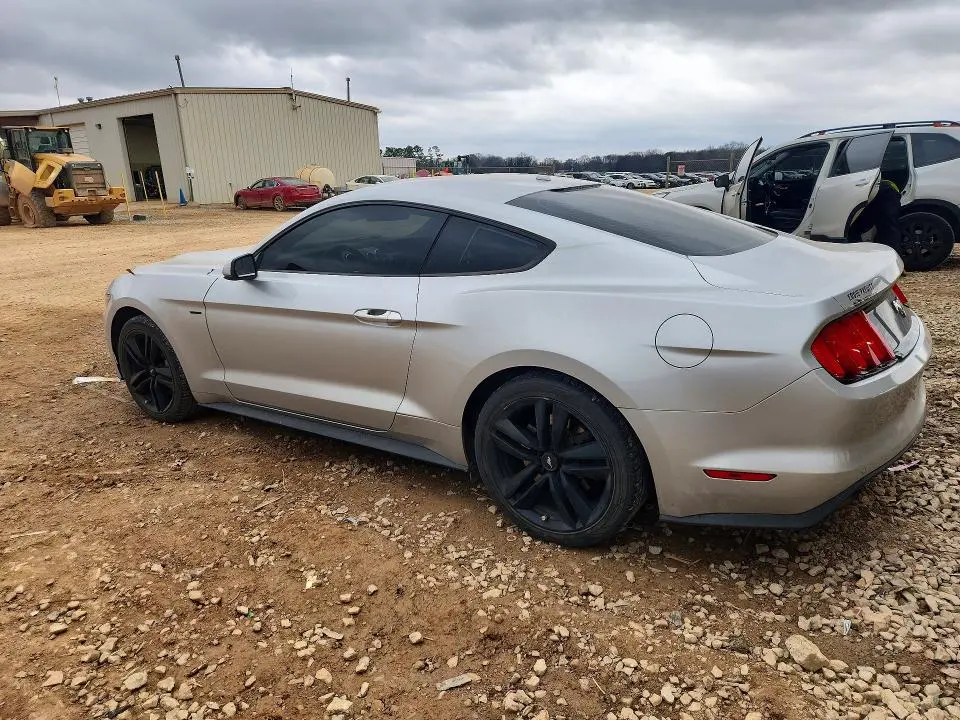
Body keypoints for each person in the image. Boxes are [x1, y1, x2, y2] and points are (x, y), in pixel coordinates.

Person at [850, 178, 902, 249]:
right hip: (883, 190)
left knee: (889, 230)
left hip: (885, 193)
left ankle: (889, 253)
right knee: (888, 229)